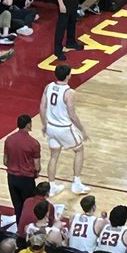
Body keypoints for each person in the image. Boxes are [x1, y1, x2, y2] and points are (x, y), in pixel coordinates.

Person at [41, 64, 90, 196]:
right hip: (63, 128)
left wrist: (44, 124)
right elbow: (72, 115)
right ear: (68, 75)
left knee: (54, 156)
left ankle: (51, 186)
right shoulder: (69, 92)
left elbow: (42, 107)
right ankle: (77, 184)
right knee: (79, 150)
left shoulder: (48, 87)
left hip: (51, 127)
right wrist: (82, 130)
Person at [3, 114, 41, 222]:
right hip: (26, 179)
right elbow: (37, 166)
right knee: (29, 207)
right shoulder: (34, 143)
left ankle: (19, 228)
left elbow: (5, 161)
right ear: (28, 125)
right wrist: (36, 173)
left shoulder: (9, 139)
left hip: (11, 178)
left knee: (18, 206)